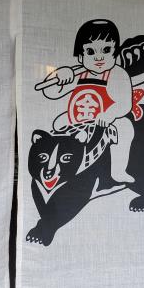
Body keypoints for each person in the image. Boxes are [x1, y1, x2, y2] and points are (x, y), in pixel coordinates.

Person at [41, 19, 134, 183]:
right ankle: (62, 166)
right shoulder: (78, 74)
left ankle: (118, 170)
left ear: (116, 53)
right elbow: (50, 92)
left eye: (106, 50)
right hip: (77, 118)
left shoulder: (118, 74)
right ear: (80, 57)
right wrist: (59, 75)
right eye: (90, 51)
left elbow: (125, 103)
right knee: (57, 123)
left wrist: (110, 114)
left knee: (126, 126)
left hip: (105, 120)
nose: (99, 57)